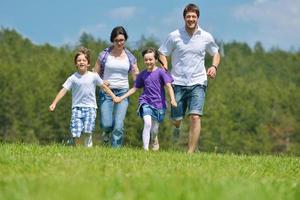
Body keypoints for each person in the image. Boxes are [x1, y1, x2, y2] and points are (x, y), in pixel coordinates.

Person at [158, 3, 221, 153]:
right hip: (177, 82)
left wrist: (213, 67)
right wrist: (164, 67)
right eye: (188, 16)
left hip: (198, 82)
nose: (191, 19)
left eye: (193, 16)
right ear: (184, 18)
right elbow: (162, 52)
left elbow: (216, 53)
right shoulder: (174, 36)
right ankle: (178, 121)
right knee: (177, 120)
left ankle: (190, 152)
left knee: (195, 116)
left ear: (198, 18)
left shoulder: (205, 36)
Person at [49, 47, 117, 147]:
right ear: (76, 64)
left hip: (91, 108)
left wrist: (114, 97)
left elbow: (104, 87)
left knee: (88, 130)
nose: (81, 62)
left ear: (88, 63)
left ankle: (87, 150)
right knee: (76, 131)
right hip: (77, 108)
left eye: (84, 60)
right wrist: (54, 103)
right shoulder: (72, 78)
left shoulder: (93, 76)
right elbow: (63, 90)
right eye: (79, 60)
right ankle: (74, 146)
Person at [115, 48, 177, 151]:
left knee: (154, 129)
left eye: (150, 59)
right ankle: (145, 149)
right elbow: (134, 88)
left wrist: (173, 100)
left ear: (156, 59)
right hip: (146, 102)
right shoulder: (142, 75)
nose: (148, 62)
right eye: (146, 60)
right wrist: (121, 97)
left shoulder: (161, 72)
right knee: (147, 123)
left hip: (159, 104)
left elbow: (169, 86)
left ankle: (154, 138)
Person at [93, 26, 139, 148]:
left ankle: (115, 151)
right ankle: (106, 132)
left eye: (122, 40)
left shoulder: (130, 57)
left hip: (123, 92)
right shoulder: (104, 55)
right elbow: (95, 74)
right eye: (117, 40)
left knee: (118, 125)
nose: (119, 43)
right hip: (106, 91)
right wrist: (101, 82)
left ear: (125, 40)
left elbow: (136, 77)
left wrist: (139, 78)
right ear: (112, 40)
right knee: (107, 124)